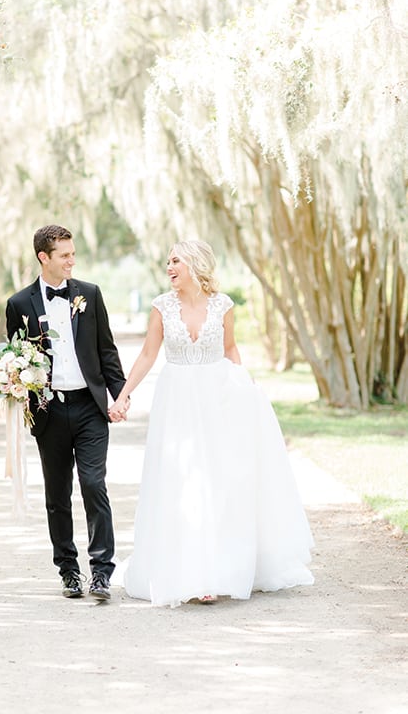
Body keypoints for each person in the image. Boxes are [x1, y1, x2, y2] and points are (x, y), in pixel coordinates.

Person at [109, 239, 314, 607]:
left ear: (194, 263)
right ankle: (190, 573)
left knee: (217, 483)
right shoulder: (161, 307)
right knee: (181, 483)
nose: (169, 267)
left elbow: (231, 348)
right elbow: (147, 355)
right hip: (176, 404)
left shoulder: (223, 305)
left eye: (175, 261)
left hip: (219, 399)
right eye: (167, 261)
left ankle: (216, 570)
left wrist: (244, 386)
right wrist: (124, 395)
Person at [6, 224, 127, 601]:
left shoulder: (90, 294)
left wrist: (120, 395)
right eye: (64, 255)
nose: (71, 260)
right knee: (57, 495)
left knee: (94, 485)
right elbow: (13, 357)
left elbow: (106, 350)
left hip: (90, 407)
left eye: (73, 253)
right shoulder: (19, 304)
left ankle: (102, 571)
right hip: (49, 412)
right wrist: (14, 387)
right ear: (44, 258)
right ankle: (69, 572)